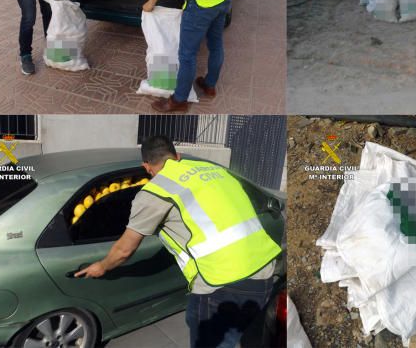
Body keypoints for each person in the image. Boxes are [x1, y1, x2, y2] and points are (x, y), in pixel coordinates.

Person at [75, 135, 281, 348]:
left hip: (221, 286)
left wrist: (101, 266)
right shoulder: (216, 171)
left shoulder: (155, 192)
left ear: (146, 166)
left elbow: (124, 251)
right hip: (265, 272)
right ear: (177, 156)